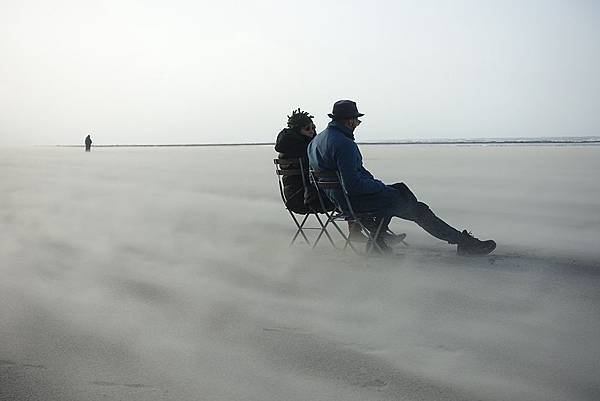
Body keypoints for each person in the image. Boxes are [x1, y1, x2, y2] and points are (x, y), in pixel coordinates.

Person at [307, 100, 496, 255]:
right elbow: (353, 185)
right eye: (357, 121)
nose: (357, 125)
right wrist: (379, 186)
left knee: (400, 190)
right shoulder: (344, 144)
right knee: (416, 209)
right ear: (349, 121)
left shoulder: (316, 141)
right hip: (353, 201)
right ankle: (463, 242)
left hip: (337, 199)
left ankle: (377, 241)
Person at [275, 108, 365, 240]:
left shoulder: (287, 150)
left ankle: (369, 233)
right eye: (307, 128)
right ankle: (370, 234)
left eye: (313, 127)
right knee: (353, 196)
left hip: (292, 198)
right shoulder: (307, 149)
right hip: (308, 199)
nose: (312, 131)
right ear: (297, 130)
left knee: (349, 194)